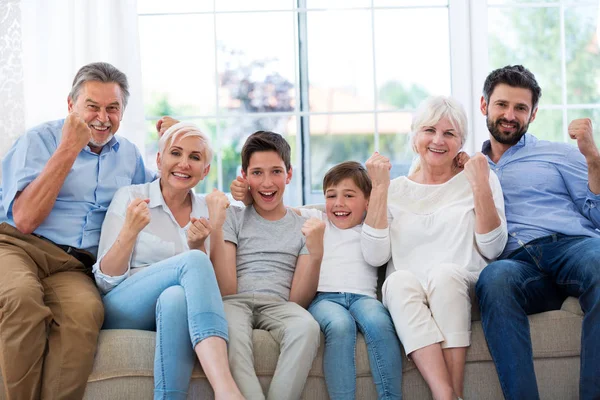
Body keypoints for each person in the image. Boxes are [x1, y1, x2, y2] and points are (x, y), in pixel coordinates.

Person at [0, 62, 153, 399]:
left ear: (122, 112)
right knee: (20, 300)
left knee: (86, 313)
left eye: (112, 108)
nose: (103, 117)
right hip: (16, 246)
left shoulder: (128, 156)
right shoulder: (38, 140)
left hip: (73, 265)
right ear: (71, 106)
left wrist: (175, 140)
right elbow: (24, 219)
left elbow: (164, 194)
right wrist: (69, 147)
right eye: (92, 106)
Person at [475, 65, 600, 400]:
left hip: (570, 247)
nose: (510, 115)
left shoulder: (557, 153)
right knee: (494, 278)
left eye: (520, 108)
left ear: (533, 114)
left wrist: (593, 159)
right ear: (484, 105)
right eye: (502, 105)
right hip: (517, 265)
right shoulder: (469, 166)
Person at [93, 122, 243, 400]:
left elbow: (225, 292)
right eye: (176, 153)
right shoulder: (131, 198)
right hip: (125, 305)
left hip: (175, 306)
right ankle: (226, 389)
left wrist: (217, 227)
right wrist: (129, 231)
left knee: (175, 297)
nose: (184, 164)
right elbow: (105, 280)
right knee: (194, 262)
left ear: (205, 171)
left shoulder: (207, 210)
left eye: (195, 157)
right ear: (160, 160)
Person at [232, 160, 404, 400]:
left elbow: (382, 229)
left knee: (379, 322)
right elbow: (277, 209)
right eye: (331, 195)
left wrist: (379, 190)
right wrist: (249, 198)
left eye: (349, 195)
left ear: (367, 201)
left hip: (363, 298)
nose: (338, 203)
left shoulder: (374, 223)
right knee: (340, 325)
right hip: (325, 299)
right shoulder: (316, 218)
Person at [377, 96, 507, 400]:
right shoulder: (394, 190)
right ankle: (446, 395)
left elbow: (493, 248)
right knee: (396, 281)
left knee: (445, 275)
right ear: (414, 137)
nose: (438, 140)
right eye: (429, 130)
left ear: (461, 142)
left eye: (449, 134)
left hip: (461, 287)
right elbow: (375, 255)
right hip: (408, 293)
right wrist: (378, 190)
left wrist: (479, 185)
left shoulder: (481, 179)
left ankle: (451, 392)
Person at [211, 130, 325, 400]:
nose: (267, 182)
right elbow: (227, 289)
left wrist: (316, 252)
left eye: (275, 171)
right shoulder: (233, 217)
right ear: (244, 176)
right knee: (231, 334)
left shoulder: (304, 226)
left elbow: (297, 301)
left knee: (307, 327)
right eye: (257, 173)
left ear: (289, 174)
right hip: (235, 301)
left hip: (280, 305)